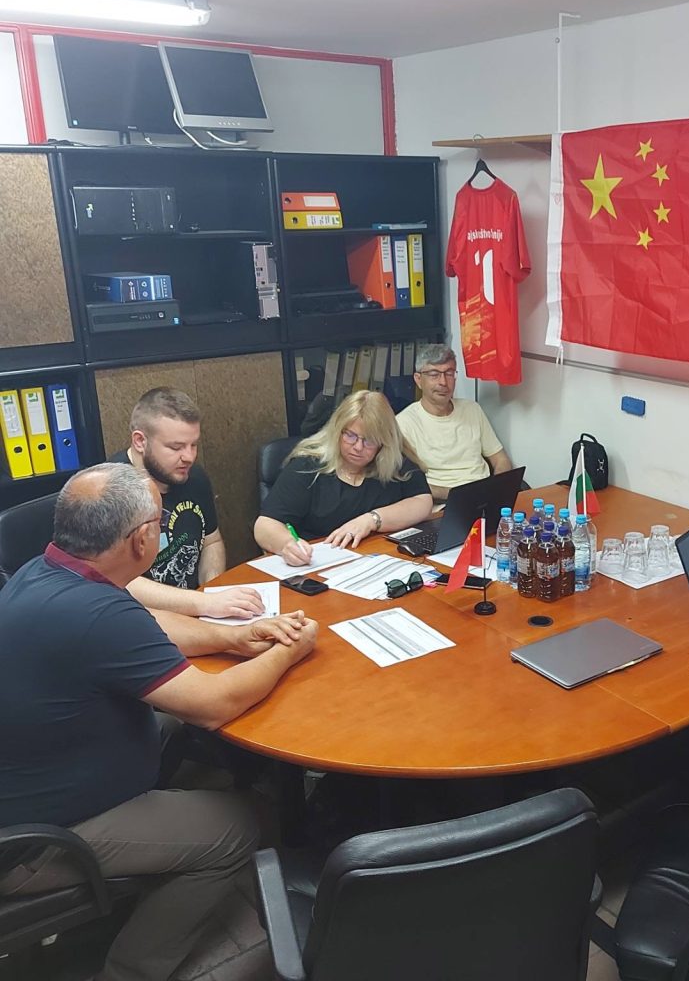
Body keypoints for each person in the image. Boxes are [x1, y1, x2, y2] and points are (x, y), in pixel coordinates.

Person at [0, 463, 317, 981]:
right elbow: (213, 704)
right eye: (160, 520)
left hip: (32, 781)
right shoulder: (92, 613)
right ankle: (130, 971)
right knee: (235, 829)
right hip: (32, 844)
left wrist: (237, 637)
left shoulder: (48, 570)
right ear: (142, 538)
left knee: (168, 728)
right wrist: (291, 651)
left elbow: (144, 625)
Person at [112, 387, 266, 620]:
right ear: (140, 441)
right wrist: (205, 603)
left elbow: (211, 541)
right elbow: (121, 581)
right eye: (176, 447)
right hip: (143, 620)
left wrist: (212, 590)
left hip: (198, 609)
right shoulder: (111, 492)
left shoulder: (193, 477)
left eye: (193, 445)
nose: (189, 457)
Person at [255, 389, 433, 564]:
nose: (358, 447)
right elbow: (265, 525)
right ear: (337, 430)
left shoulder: (393, 460)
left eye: (369, 440)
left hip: (375, 560)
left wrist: (371, 520)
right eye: (351, 435)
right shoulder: (307, 466)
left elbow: (422, 501)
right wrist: (286, 545)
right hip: (317, 563)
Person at [396, 344, 513, 501]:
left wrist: (497, 486)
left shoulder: (472, 409)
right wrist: (460, 495)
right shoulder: (404, 423)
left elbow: (501, 459)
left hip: (485, 496)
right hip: (442, 503)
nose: (443, 382)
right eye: (434, 375)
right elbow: (408, 484)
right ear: (418, 380)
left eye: (449, 373)